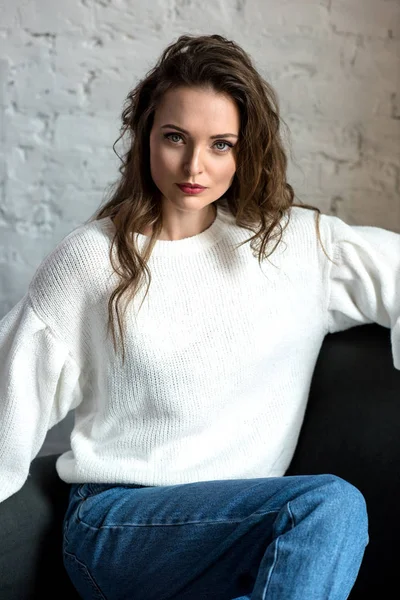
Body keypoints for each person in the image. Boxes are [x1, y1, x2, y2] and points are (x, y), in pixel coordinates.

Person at [0, 33, 399, 600]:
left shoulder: (297, 247)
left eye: (220, 145)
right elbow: (10, 395)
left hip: (249, 537)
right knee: (330, 505)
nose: (194, 165)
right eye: (175, 139)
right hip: (115, 528)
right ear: (145, 139)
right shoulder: (91, 260)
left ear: (245, 151)